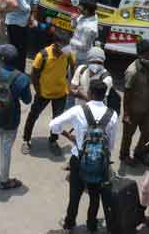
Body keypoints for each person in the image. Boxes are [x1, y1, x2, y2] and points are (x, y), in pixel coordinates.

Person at [50, 79, 118, 234]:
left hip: (78, 159)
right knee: (95, 196)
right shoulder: (112, 115)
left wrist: (69, 136)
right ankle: (92, 225)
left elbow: (53, 125)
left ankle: (69, 224)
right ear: (104, 95)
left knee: (75, 194)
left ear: (90, 93)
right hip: (100, 162)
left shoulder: (78, 110)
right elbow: (111, 145)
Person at [0, 44, 32, 190]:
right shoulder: (21, 78)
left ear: (1, 59)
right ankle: (4, 181)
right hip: (10, 120)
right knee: (5, 149)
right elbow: (28, 100)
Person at [22, 29, 75, 156]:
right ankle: (26, 140)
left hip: (61, 93)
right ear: (56, 44)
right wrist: (38, 91)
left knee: (57, 120)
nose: (67, 47)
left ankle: (53, 141)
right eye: (64, 45)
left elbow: (74, 67)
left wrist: (70, 84)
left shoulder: (68, 53)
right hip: (43, 94)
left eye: (68, 44)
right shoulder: (43, 55)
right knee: (33, 115)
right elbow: (34, 75)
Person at [120, 39, 149, 167]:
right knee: (128, 135)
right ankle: (124, 155)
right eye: (148, 53)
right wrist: (126, 114)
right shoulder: (132, 71)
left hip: (148, 107)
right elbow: (126, 95)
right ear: (140, 54)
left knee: (148, 132)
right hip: (133, 110)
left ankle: (139, 152)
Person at [70, 0, 99, 66]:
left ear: (86, 10)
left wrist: (70, 41)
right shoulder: (88, 15)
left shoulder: (89, 28)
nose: (78, 7)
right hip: (74, 52)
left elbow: (83, 45)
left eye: (80, 6)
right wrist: (73, 19)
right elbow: (74, 26)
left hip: (80, 58)